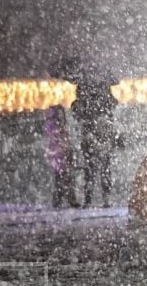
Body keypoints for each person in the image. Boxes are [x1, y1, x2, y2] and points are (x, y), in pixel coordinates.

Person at [71, 79, 119, 208]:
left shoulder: (84, 89)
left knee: (92, 170)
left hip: (92, 137)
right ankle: (103, 199)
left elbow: (76, 110)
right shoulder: (104, 89)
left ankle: (89, 199)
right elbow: (113, 104)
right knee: (103, 169)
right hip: (101, 135)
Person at [44, 105, 79, 209]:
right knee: (63, 178)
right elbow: (56, 138)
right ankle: (64, 200)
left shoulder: (55, 124)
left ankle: (62, 200)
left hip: (61, 153)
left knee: (64, 178)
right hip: (59, 154)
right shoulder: (54, 125)